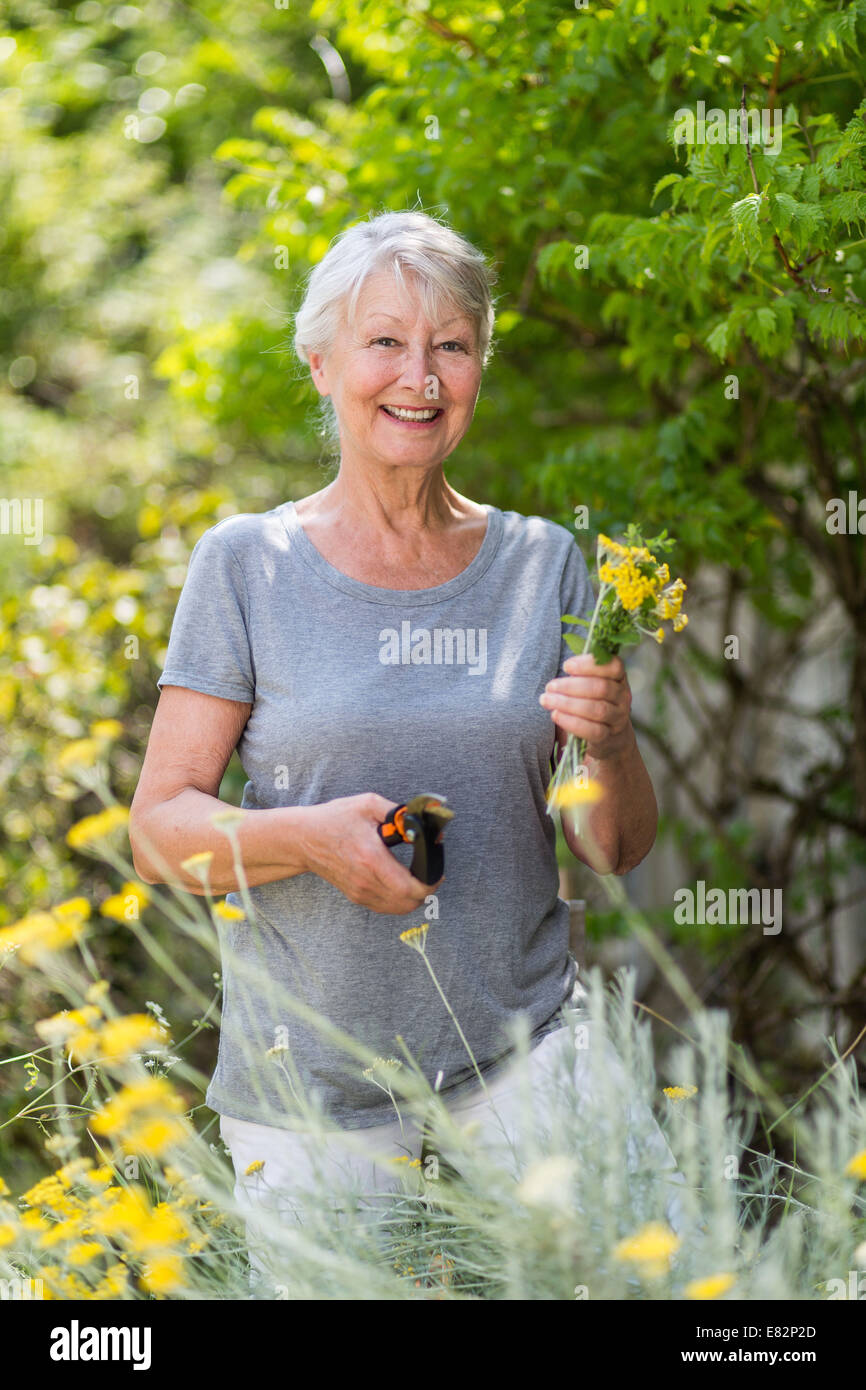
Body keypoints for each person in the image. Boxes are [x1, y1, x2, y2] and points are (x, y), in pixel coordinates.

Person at [129, 209, 679, 1278]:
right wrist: (312, 839)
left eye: (451, 345)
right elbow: (160, 833)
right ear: (321, 360)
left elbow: (611, 850)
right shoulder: (245, 565)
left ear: (477, 367)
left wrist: (610, 747)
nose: (417, 376)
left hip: (529, 1058)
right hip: (312, 1093)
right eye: (384, 341)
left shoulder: (541, 562)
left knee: (646, 1289)